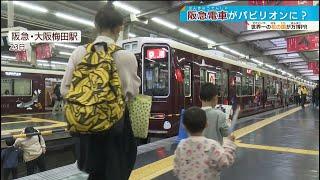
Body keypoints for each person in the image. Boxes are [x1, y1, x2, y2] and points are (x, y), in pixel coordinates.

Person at [60, 3, 140, 180]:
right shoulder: (126, 56)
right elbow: (132, 93)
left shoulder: (79, 52)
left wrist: (88, 101)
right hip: (115, 126)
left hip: (85, 124)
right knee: (116, 170)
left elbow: (65, 89)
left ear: (96, 26)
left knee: (94, 172)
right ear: (119, 27)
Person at [173, 106, 237, 180]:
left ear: (184, 126)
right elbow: (224, 162)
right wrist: (229, 143)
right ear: (206, 124)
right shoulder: (211, 145)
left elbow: (176, 169)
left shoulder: (181, 145)